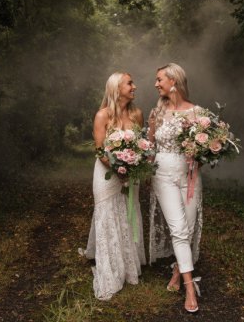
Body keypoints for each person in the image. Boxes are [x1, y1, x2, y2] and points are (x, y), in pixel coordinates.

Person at [79, 72, 146, 300]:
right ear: (117, 88)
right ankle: (110, 269)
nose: (134, 87)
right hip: (107, 174)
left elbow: (142, 145)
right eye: (130, 83)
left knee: (128, 214)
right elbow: (99, 151)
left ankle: (129, 266)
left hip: (131, 175)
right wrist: (119, 168)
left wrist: (134, 166)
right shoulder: (102, 115)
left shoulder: (137, 114)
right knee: (107, 213)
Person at [147, 63, 203, 313]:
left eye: (160, 79)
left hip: (190, 176)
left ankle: (178, 273)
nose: (156, 84)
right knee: (179, 230)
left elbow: (205, 150)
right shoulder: (156, 113)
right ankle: (191, 289)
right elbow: (149, 147)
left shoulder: (197, 113)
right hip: (164, 174)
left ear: (174, 81)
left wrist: (205, 151)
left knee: (188, 229)